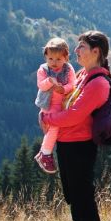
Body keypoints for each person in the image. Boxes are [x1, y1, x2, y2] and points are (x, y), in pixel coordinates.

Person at [42, 30, 111, 221]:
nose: (76, 51)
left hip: (81, 144)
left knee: (83, 195)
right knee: (73, 195)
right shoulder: (82, 75)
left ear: (96, 52)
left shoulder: (99, 83)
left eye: (81, 46)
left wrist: (50, 119)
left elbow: (75, 115)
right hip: (66, 141)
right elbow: (63, 100)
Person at [34, 37, 74, 173]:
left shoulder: (68, 69)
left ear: (66, 58)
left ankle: (44, 152)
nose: (54, 62)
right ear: (46, 57)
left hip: (62, 103)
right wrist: (50, 81)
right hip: (48, 104)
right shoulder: (43, 70)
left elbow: (72, 84)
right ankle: (45, 153)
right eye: (51, 59)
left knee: (55, 128)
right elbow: (41, 85)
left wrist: (63, 89)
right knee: (54, 127)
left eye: (58, 59)